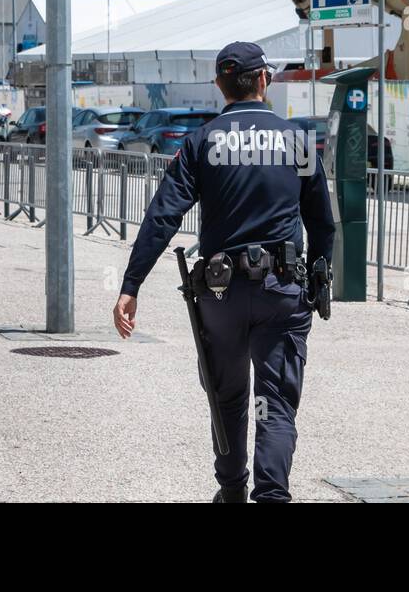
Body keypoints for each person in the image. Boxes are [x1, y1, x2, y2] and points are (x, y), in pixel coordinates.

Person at [112, 41, 335, 503]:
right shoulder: (298, 141)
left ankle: (232, 491)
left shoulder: (200, 142)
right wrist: (319, 276)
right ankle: (272, 495)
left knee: (228, 397)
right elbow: (322, 221)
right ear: (263, 80)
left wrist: (131, 285)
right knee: (274, 404)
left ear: (219, 85)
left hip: (220, 293)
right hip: (282, 289)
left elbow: (161, 217)